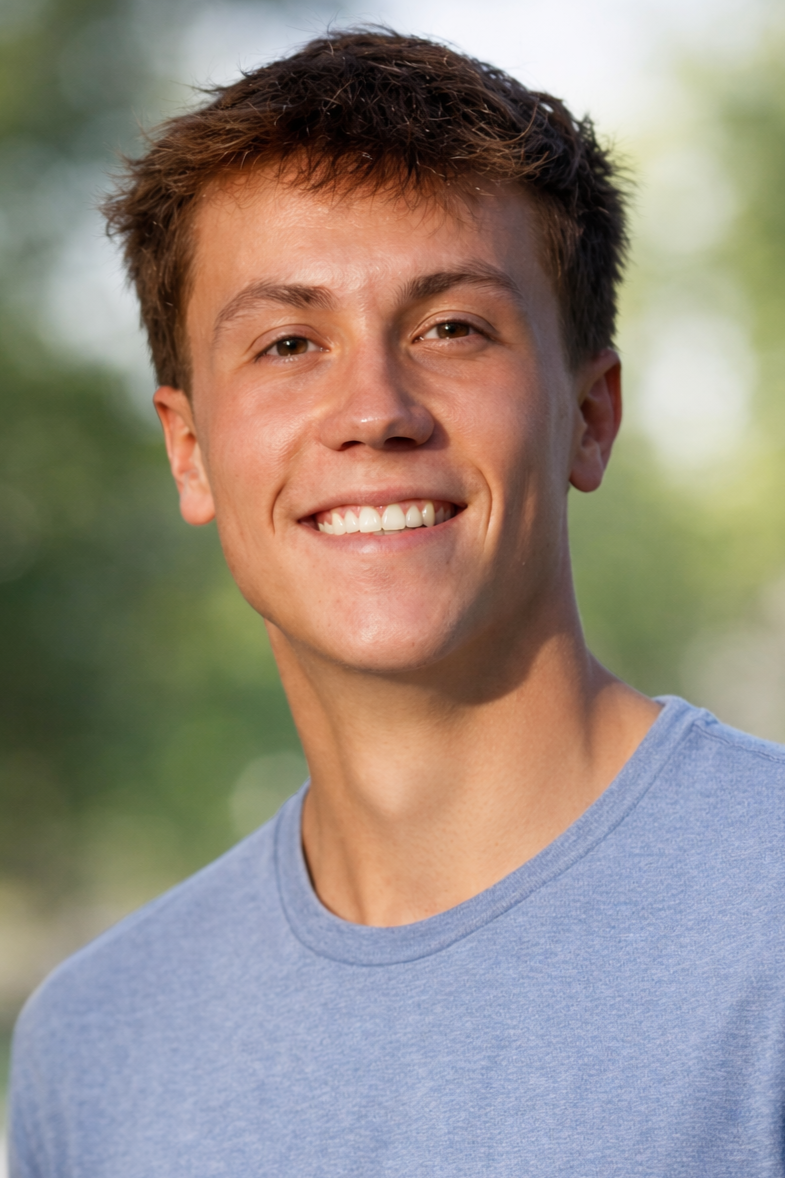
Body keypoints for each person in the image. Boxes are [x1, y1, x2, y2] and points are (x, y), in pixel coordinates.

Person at [8, 29, 785, 1177]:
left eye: (451, 328)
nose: (372, 409)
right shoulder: (93, 1048)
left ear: (590, 411)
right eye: (286, 342)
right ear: (188, 451)